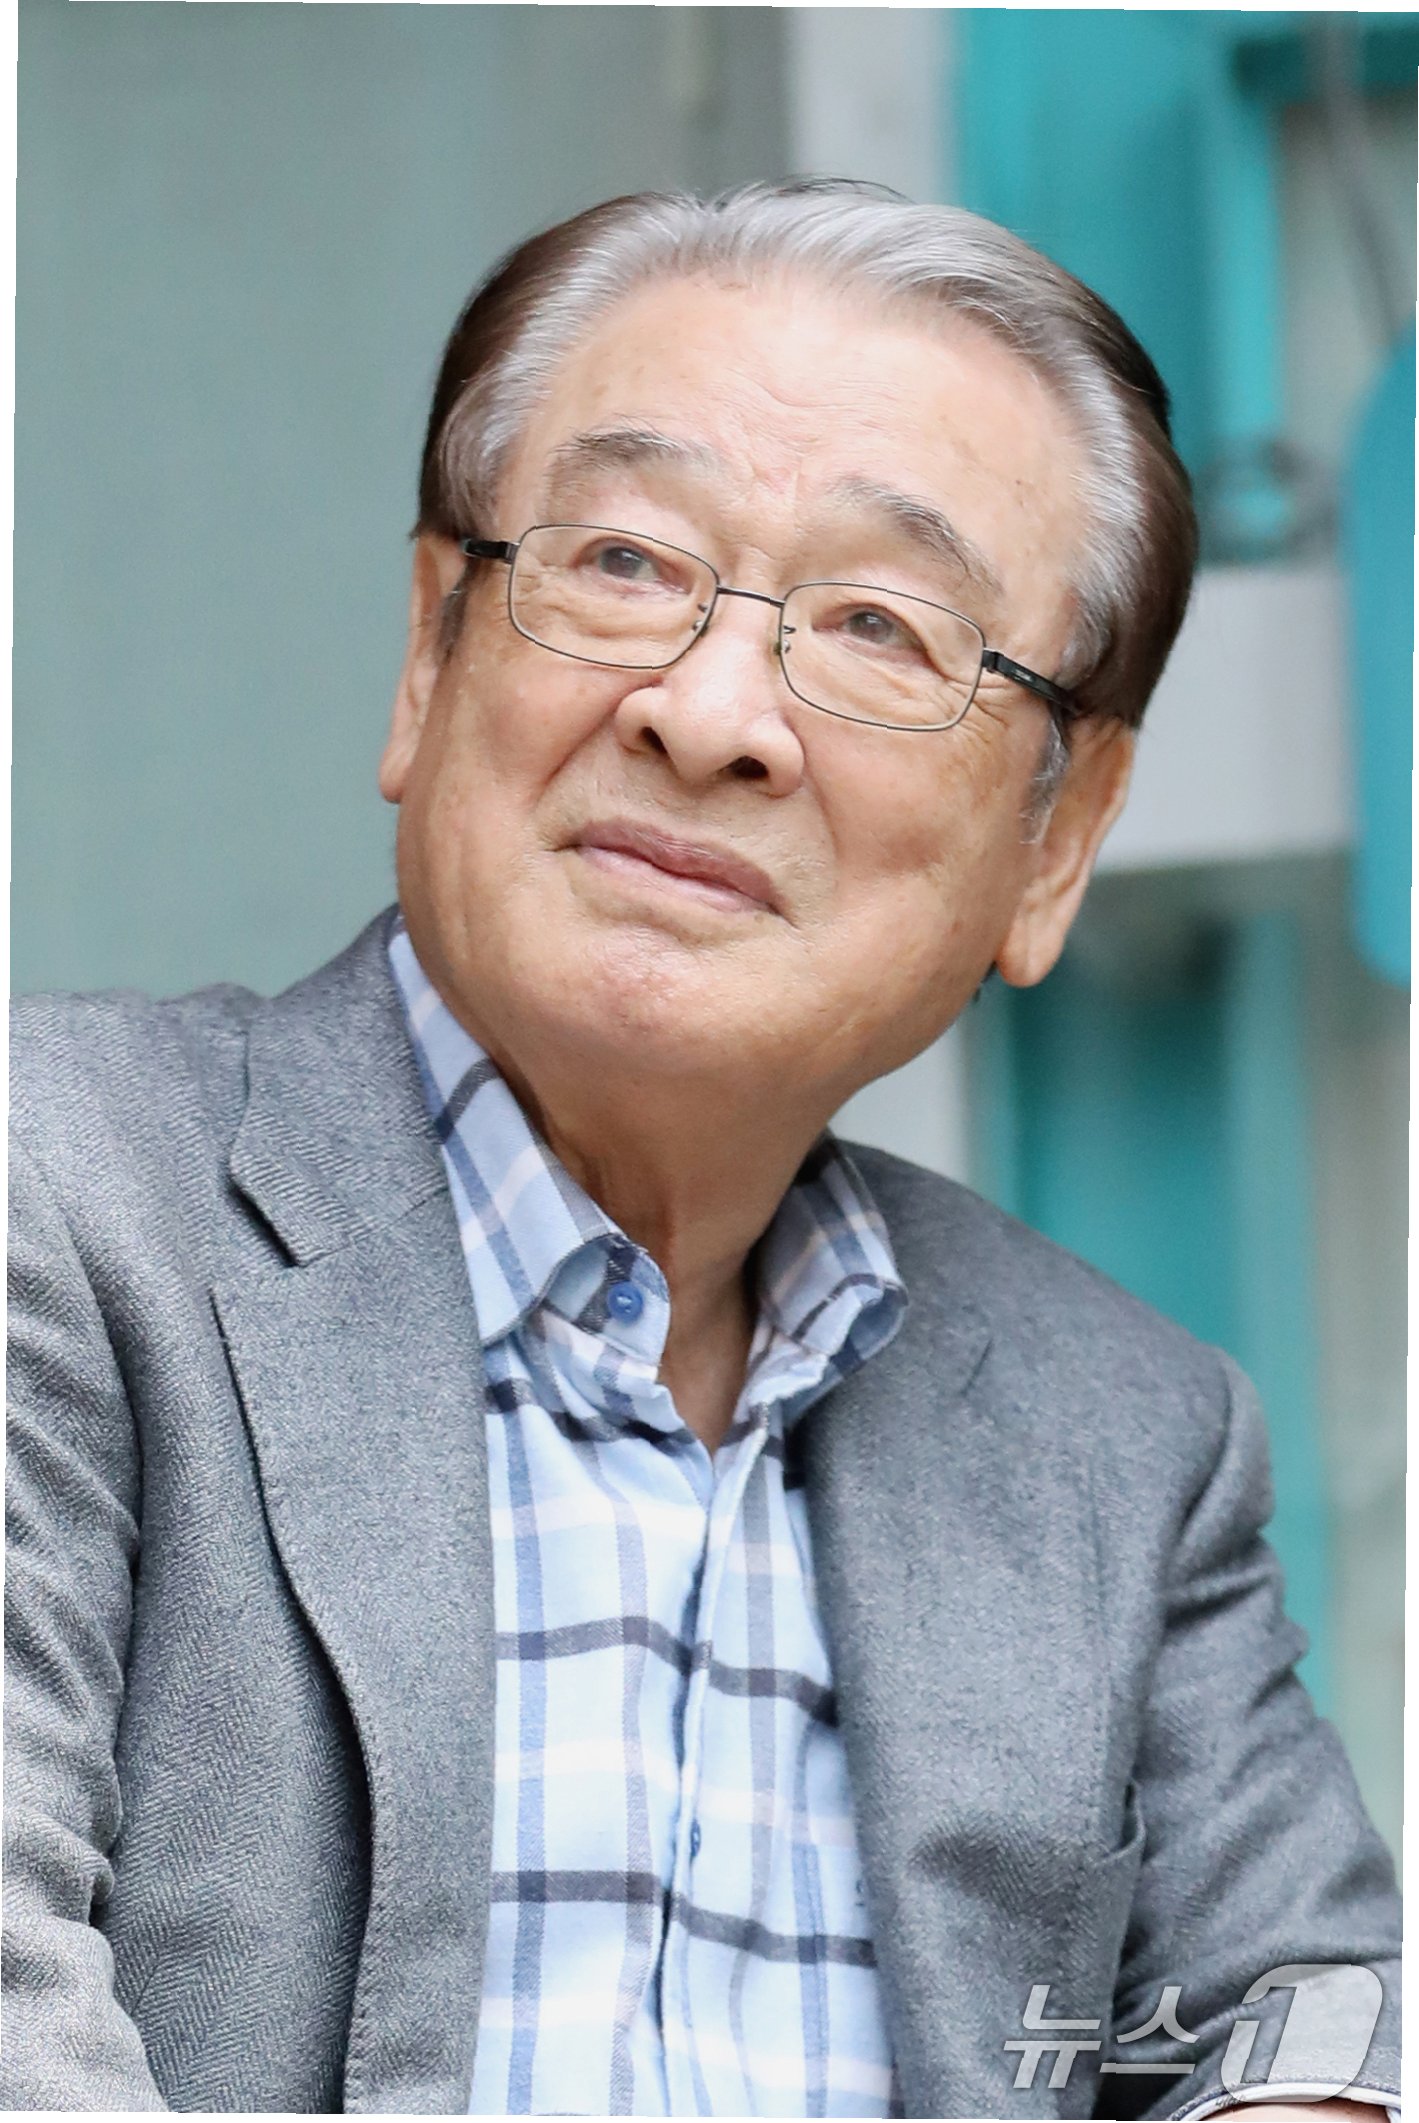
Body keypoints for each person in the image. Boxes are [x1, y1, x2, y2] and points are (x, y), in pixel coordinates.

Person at [3, 180, 1400, 2120]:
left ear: (1056, 838)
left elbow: (1307, 2017)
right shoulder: (56, 1202)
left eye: (879, 626)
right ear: (427, 654)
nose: (711, 713)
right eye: (624, 561)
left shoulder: (1122, 1439)